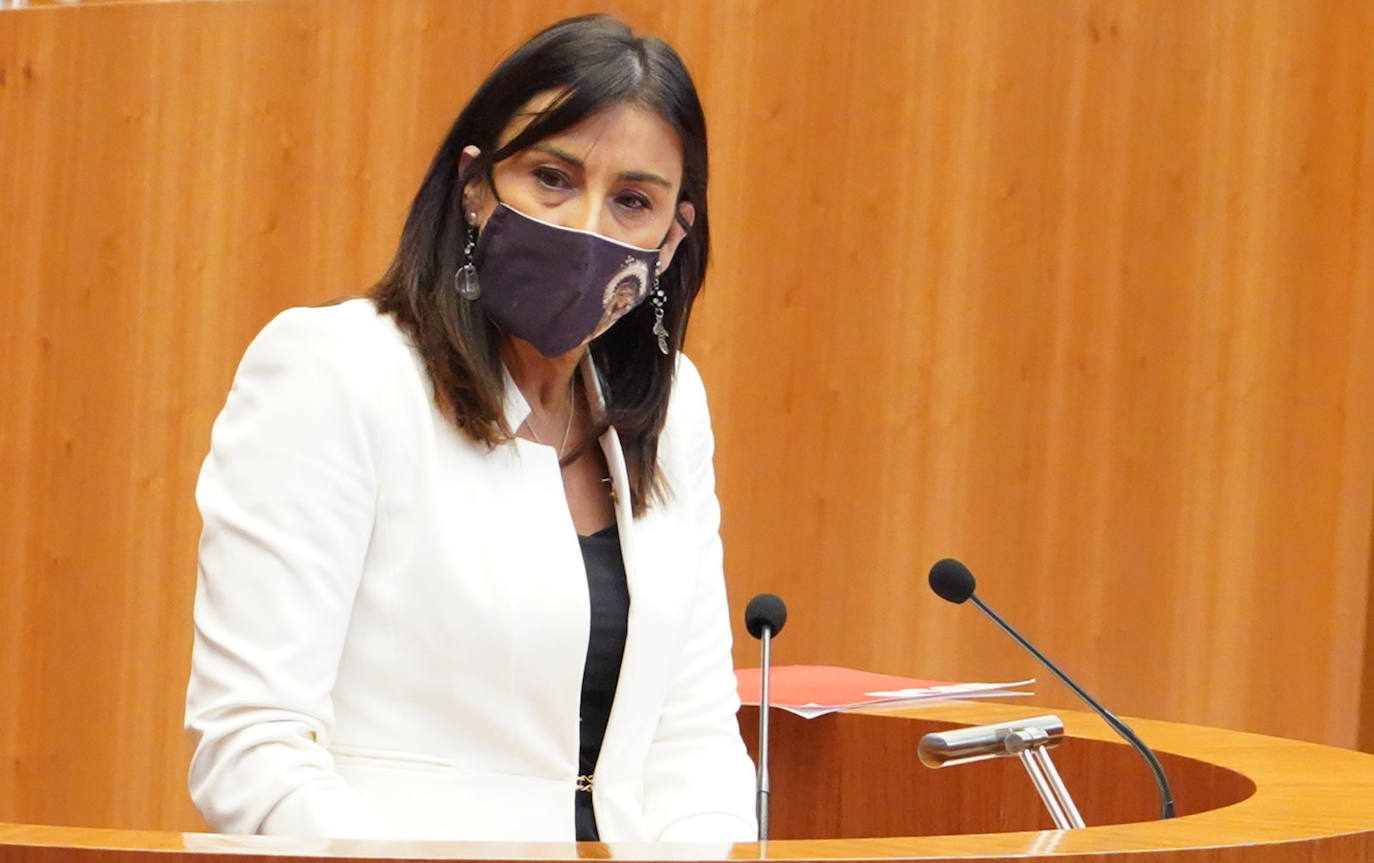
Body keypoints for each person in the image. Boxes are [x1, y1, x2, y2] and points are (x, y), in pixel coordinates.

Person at [184, 14, 757, 844]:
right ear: (477, 185)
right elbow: (254, 743)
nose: (586, 225)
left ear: (671, 241)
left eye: (632, 201)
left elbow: (693, 736)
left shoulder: (668, 412)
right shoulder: (337, 370)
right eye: (553, 178)